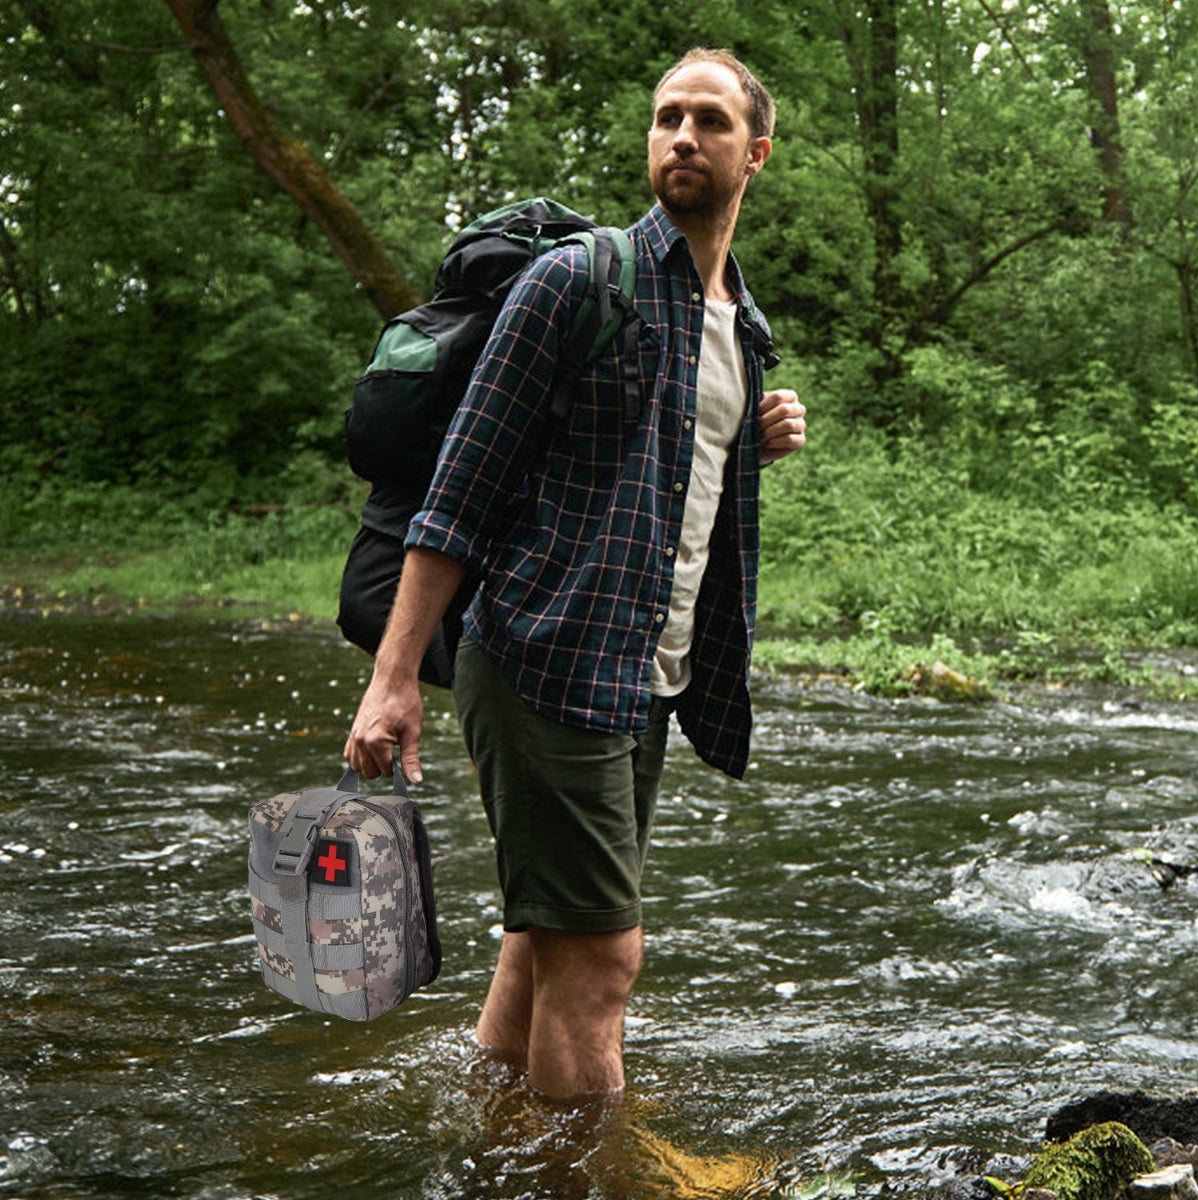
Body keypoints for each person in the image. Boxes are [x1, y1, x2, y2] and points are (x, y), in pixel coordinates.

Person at [344, 47, 806, 1100]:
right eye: (667, 118)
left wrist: (752, 438)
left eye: (710, 122)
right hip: (547, 657)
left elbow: (657, 476)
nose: (682, 137)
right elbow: (457, 488)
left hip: (646, 677)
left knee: (543, 941)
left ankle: (500, 1148)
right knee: (602, 962)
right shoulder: (572, 282)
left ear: (758, 153)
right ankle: (587, 1179)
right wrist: (395, 677)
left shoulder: (745, 325)